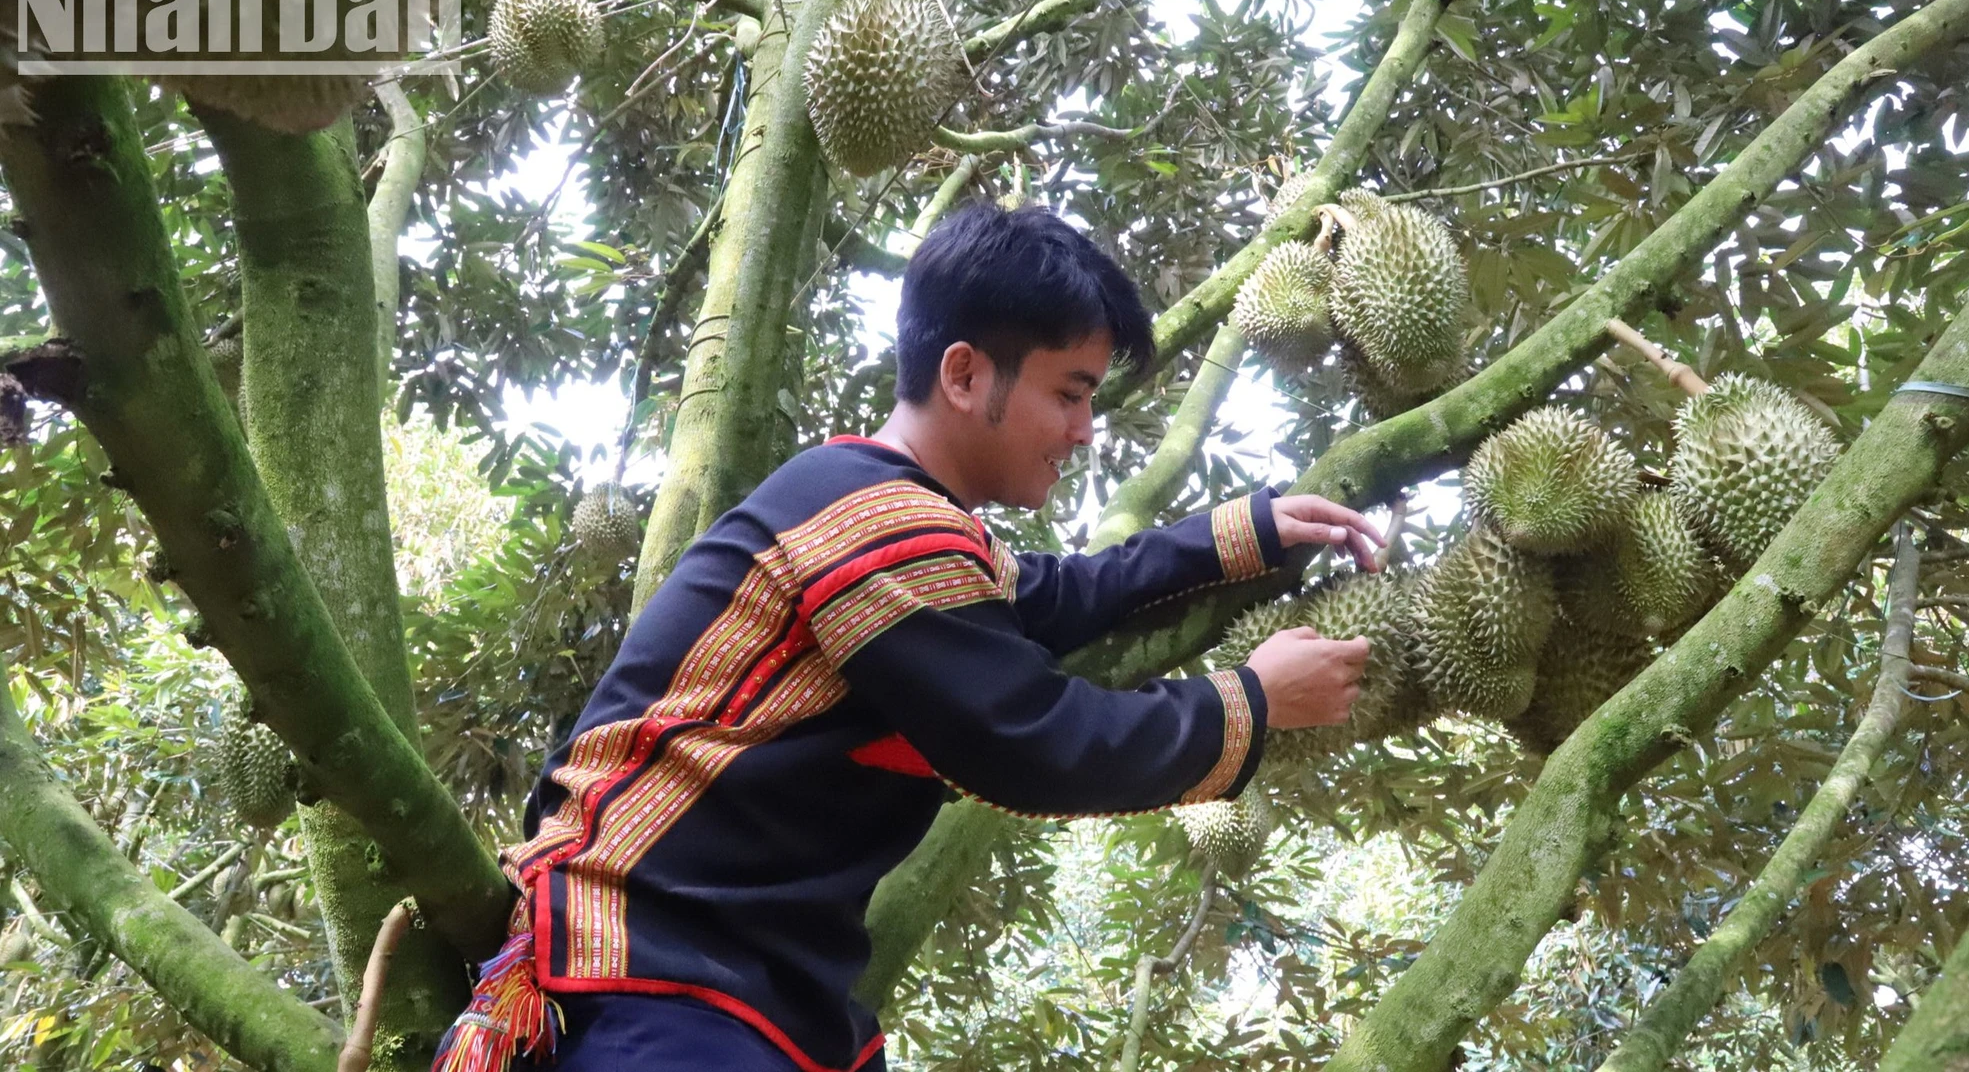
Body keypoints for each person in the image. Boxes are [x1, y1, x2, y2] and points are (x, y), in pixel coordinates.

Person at [433, 203, 1379, 1072]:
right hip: (647, 965)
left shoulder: (909, 526)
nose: (1086, 430)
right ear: (964, 373)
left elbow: (1055, 592)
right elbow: (1035, 741)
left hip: (744, 983)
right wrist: (1252, 701)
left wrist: (1239, 533)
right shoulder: (874, 522)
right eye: (1071, 393)